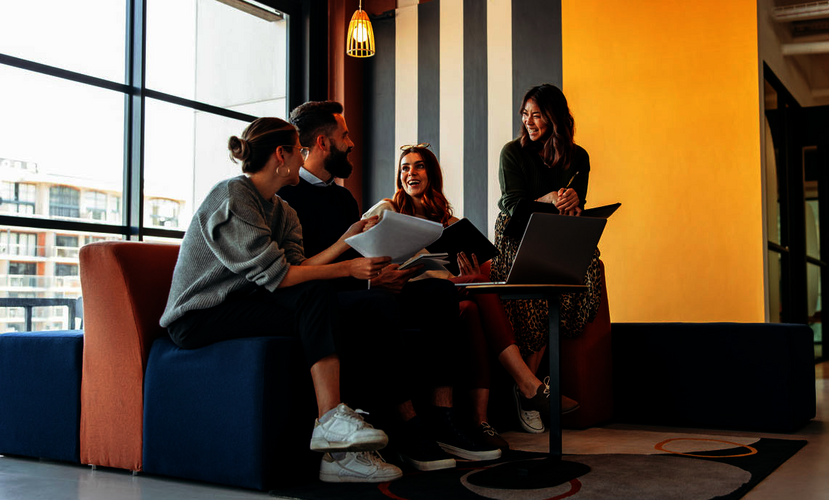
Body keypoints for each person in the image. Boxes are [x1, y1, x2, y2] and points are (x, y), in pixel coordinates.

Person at [159, 117, 402, 484]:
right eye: (299, 151)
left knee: (334, 307)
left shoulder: (283, 210)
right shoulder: (232, 197)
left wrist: (345, 241)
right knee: (319, 294)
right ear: (281, 155)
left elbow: (297, 267)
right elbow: (282, 276)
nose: (304, 158)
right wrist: (348, 268)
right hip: (199, 316)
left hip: (247, 302)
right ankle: (331, 420)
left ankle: (340, 454)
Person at [278, 101, 501, 470]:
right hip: (320, 297)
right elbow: (301, 270)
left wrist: (383, 274)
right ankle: (409, 428)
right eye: (344, 135)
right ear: (322, 142)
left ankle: (443, 419)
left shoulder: (343, 197)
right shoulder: (286, 196)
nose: (351, 143)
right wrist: (369, 281)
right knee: (379, 304)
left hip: (361, 287)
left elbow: (365, 253)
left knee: (438, 293)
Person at [362, 144, 576, 445]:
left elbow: (467, 273)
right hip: (403, 296)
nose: (411, 172)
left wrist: (465, 276)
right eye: (405, 168)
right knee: (476, 281)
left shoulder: (448, 223)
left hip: (444, 297)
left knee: (475, 296)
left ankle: (481, 421)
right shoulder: (388, 209)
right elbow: (361, 243)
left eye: (419, 166)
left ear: (431, 173)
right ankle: (527, 384)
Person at [491, 83, 601, 428]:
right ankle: (531, 391)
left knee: (586, 271)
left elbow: (576, 204)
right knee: (540, 292)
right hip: (517, 234)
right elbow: (512, 204)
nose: (529, 121)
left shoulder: (578, 156)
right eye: (525, 114)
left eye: (537, 115)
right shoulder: (512, 152)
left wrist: (573, 204)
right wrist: (550, 197)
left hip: (557, 233)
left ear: (554, 118)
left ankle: (528, 388)